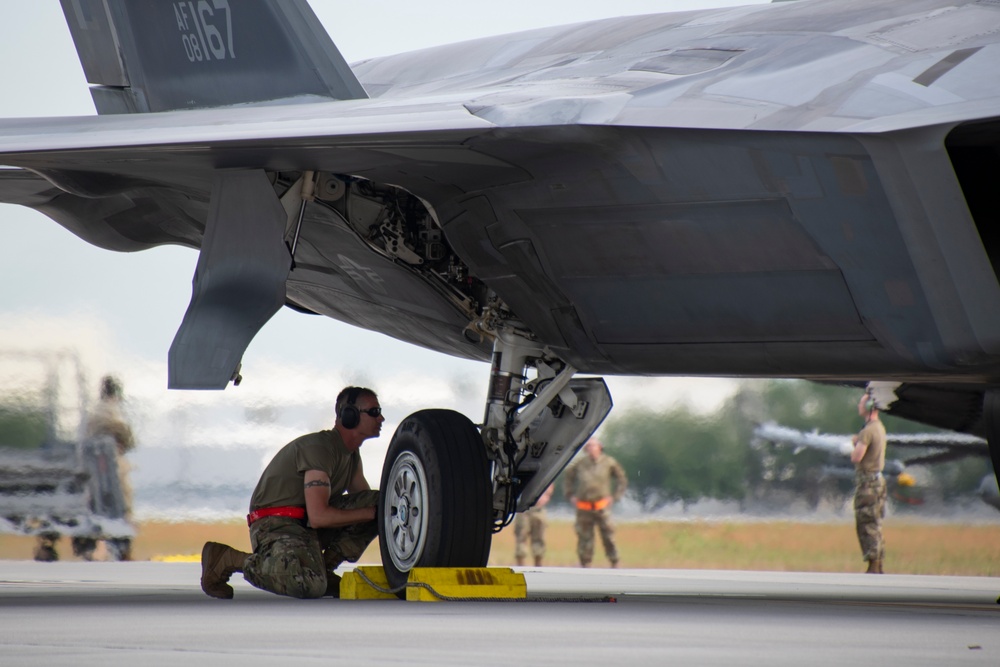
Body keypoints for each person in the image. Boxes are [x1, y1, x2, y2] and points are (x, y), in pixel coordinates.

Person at [200, 386, 383, 599]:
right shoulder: (320, 449)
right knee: (308, 585)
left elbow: (364, 502)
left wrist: (379, 513)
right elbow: (319, 516)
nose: (381, 418)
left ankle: (323, 569)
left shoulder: (350, 455)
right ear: (349, 416)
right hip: (277, 523)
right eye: (374, 412)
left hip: (303, 525)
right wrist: (373, 513)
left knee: (384, 504)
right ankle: (227, 559)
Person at [34, 374, 136, 562]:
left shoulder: (93, 412)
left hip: (89, 467)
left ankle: (58, 546)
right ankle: (122, 550)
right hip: (105, 467)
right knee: (123, 501)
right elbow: (124, 436)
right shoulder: (111, 412)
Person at [563, 437, 627, 568]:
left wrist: (615, 497)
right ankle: (585, 563)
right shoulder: (579, 463)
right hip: (584, 507)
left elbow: (621, 479)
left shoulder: (609, 463)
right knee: (584, 537)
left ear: (599, 447)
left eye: (593, 446)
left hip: (602, 506)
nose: (590, 449)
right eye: (588, 446)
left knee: (608, 536)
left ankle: (614, 561)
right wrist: (570, 495)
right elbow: (568, 478)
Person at [850, 391, 888, 574]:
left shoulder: (867, 431)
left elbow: (857, 457)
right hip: (878, 482)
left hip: (868, 485)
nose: (859, 406)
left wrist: (855, 443)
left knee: (866, 523)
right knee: (876, 522)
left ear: (868, 407)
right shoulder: (880, 428)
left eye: (861, 403)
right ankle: (878, 562)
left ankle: (873, 564)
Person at [514, 483, 555, 566]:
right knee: (521, 538)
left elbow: (550, 482)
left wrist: (546, 496)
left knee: (539, 540)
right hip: (523, 509)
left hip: (538, 510)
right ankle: (520, 568)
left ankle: (538, 567)